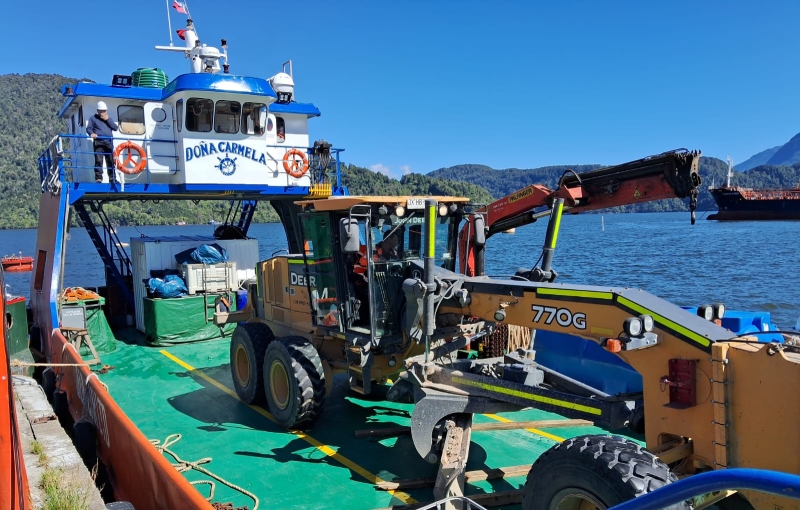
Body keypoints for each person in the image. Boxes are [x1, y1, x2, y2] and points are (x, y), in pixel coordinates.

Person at [86, 101, 119, 183]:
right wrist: (92, 133)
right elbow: (88, 128)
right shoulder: (93, 118)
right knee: (98, 161)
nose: (102, 113)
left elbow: (115, 128)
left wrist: (107, 119)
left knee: (111, 162)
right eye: (101, 111)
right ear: (97, 111)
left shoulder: (108, 119)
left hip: (108, 143)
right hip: (99, 143)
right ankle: (98, 178)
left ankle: (113, 179)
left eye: (104, 111)